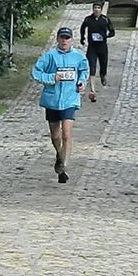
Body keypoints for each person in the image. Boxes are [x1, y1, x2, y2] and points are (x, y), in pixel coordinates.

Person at [32, 27, 89, 183]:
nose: (64, 41)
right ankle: (59, 154)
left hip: (70, 99)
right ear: (57, 39)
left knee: (66, 135)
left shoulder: (78, 57)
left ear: (71, 40)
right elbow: (36, 72)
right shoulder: (49, 56)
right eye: (62, 38)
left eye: (67, 38)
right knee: (55, 136)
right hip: (52, 100)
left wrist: (81, 82)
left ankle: (63, 166)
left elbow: (84, 70)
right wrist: (51, 78)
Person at [79, 2, 115, 102]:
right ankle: (92, 91)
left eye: (98, 8)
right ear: (92, 9)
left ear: (101, 9)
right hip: (92, 47)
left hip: (102, 47)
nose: (97, 9)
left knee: (103, 65)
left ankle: (103, 75)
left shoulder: (105, 19)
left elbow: (112, 31)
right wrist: (82, 38)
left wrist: (106, 36)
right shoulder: (88, 19)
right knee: (92, 67)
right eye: (95, 8)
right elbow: (82, 28)